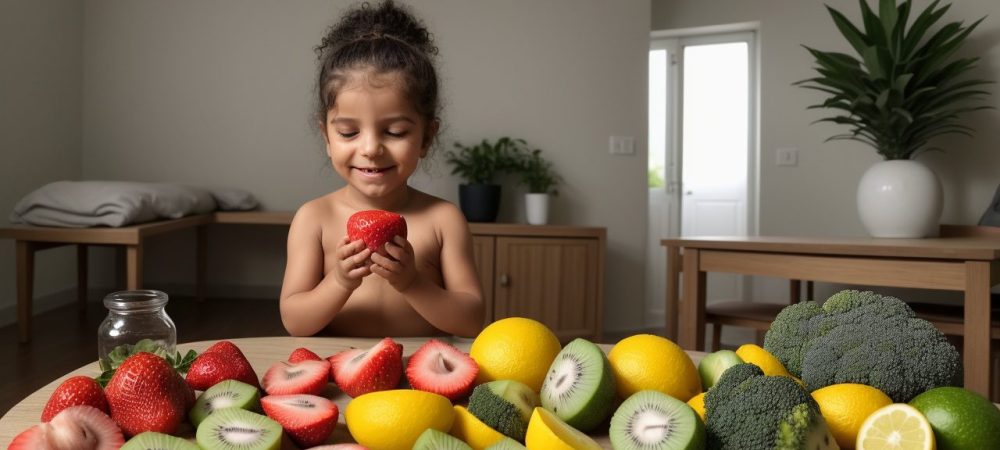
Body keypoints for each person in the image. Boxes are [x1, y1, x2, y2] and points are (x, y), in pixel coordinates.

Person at [280, 1, 484, 338]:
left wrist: (412, 282)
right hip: (339, 373)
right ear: (327, 137)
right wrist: (340, 281)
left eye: (395, 132)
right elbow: (295, 321)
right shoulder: (313, 218)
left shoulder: (443, 220)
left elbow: (472, 319)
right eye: (348, 132)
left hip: (421, 375)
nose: (371, 148)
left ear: (426, 137)